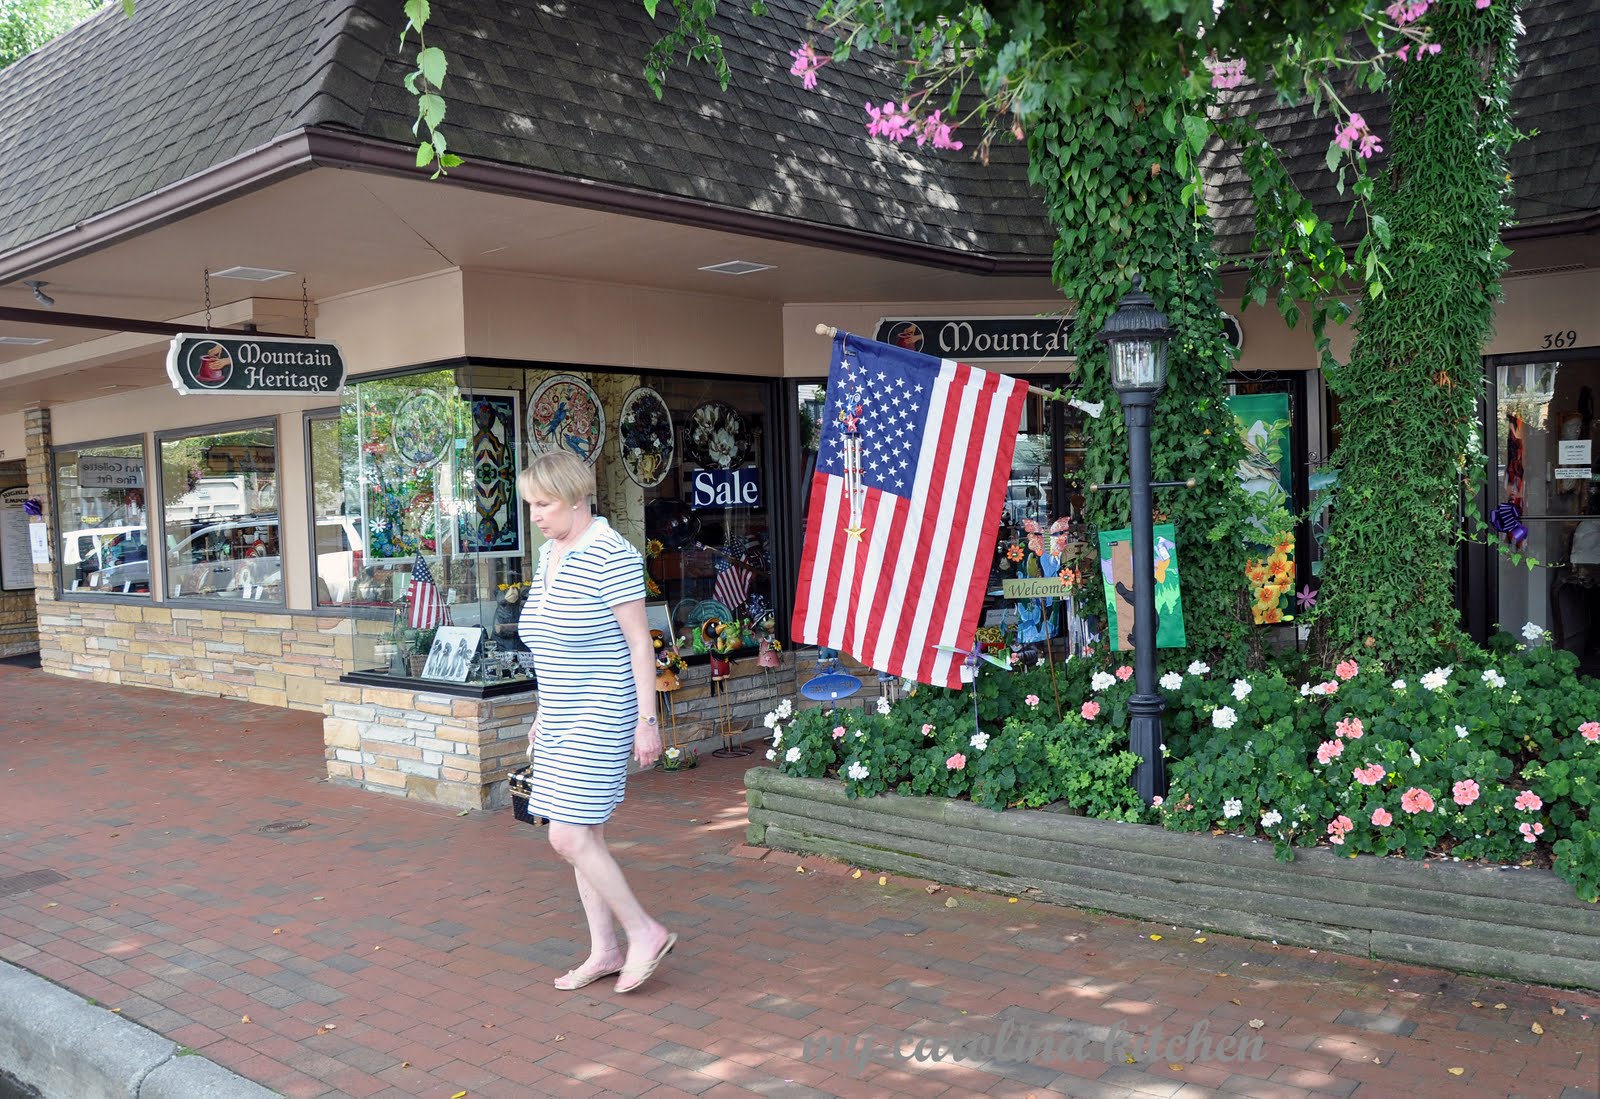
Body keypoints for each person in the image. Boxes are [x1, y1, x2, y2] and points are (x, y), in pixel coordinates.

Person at [516, 450, 676, 993]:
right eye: (531, 504)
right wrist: (542, 712)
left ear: (576, 497)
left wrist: (647, 721)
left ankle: (645, 932)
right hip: (559, 714)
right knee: (585, 836)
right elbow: (549, 645)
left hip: (602, 711)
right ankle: (605, 950)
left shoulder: (611, 553)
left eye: (544, 503)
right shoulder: (551, 554)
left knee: (566, 834)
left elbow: (639, 644)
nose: (536, 515)